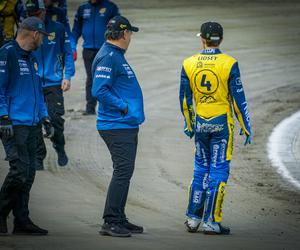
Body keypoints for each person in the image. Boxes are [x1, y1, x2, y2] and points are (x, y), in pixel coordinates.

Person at [179, 21, 252, 235]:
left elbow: (185, 99)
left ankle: (193, 219)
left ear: (202, 39)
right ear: (221, 39)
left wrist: (189, 122)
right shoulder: (229, 63)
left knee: (200, 168)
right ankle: (211, 221)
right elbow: (239, 99)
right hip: (222, 123)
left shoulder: (188, 63)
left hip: (201, 122)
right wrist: (245, 126)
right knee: (218, 170)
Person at [92, 15, 144, 237]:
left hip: (124, 123)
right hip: (116, 124)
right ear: (124, 34)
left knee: (125, 171)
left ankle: (119, 217)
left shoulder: (114, 55)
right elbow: (99, 90)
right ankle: (111, 220)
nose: (130, 37)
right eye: (130, 33)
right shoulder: (109, 57)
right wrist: (123, 107)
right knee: (122, 172)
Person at [0, 16, 53, 236]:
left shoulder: (32, 58)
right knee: (19, 171)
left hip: (31, 124)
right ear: (34, 33)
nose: (44, 40)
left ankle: (21, 220)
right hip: (13, 124)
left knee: (29, 172)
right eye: (43, 36)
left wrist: (45, 117)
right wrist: (3, 117)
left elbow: (38, 92)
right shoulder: (7, 53)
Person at [25, 0, 75, 168]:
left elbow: (68, 53)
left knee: (55, 119)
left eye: (36, 14)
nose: (33, 18)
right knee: (36, 121)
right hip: (32, 83)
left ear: (43, 11)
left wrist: (67, 76)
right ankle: (39, 157)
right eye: (30, 15)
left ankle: (59, 147)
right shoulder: (24, 30)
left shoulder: (58, 28)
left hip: (54, 82)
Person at [72, 0, 120, 115]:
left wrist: (115, 47)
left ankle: (110, 108)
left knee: (107, 77)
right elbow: (76, 30)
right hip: (88, 50)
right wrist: (72, 47)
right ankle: (90, 108)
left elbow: (118, 28)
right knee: (91, 78)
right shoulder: (82, 8)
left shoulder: (111, 7)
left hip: (105, 50)